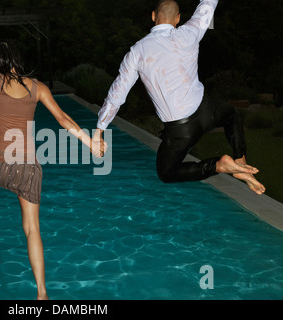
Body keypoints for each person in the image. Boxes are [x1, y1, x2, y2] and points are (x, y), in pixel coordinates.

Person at [0, 0, 106, 300]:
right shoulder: (38, 87)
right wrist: (91, 142)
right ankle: (41, 293)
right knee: (31, 229)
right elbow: (64, 120)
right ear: (19, 60)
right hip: (28, 171)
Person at [93, 0, 265, 195]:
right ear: (177, 19)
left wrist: (100, 130)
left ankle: (220, 166)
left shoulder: (137, 52)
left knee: (166, 173)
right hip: (206, 110)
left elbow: (118, 92)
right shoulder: (188, 33)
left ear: (152, 16)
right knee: (231, 114)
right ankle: (240, 159)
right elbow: (207, 6)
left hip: (181, 130)